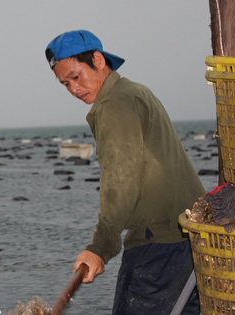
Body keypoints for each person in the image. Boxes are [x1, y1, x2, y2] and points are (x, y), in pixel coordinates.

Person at [45, 30, 205, 314]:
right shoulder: (134, 91)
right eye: (65, 84)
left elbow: (121, 180)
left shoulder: (114, 105)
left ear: (97, 59)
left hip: (158, 248)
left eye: (76, 76)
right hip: (189, 239)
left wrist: (100, 246)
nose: (73, 89)